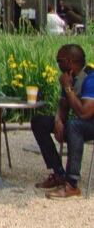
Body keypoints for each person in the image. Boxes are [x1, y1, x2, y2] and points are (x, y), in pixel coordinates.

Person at [31, 44, 94, 199]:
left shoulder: (90, 79)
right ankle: (59, 173)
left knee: (74, 125)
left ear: (69, 60)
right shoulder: (69, 76)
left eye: (59, 60)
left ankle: (72, 184)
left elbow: (84, 113)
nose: (57, 64)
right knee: (39, 121)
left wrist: (67, 87)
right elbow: (64, 106)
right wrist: (59, 120)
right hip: (79, 124)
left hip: (89, 124)